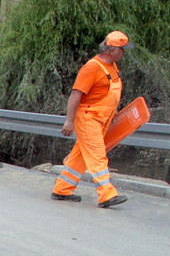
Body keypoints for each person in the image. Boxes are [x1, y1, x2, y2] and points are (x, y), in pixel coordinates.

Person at [53, 31, 133, 208]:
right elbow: (76, 95)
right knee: (98, 156)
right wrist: (69, 121)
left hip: (102, 118)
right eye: (122, 49)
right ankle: (107, 194)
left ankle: (62, 189)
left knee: (80, 156)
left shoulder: (111, 66)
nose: (124, 53)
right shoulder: (92, 67)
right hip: (89, 118)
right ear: (112, 50)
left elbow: (109, 95)